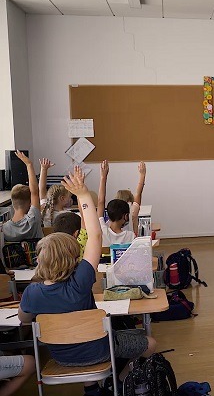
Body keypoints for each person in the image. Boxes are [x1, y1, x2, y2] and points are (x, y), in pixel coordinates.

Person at [19, 167, 157, 396]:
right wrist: (83, 194)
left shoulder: (32, 293)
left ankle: (91, 387)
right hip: (99, 351)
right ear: (72, 256)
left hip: (61, 356)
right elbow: (94, 235)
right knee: (149, 343)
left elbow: (24, 320)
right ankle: (120, 383)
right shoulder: (80, 281)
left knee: (94, 338)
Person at [1, 151, 43, 241]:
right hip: (38, 255)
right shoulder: (33, 219)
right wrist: (29, 164)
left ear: (12, 203)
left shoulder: (4, 229)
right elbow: (35, 192)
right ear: (30, 202)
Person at [99, 160, 143, 235]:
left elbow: (100, 201)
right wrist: (142, 175)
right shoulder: (130, 235)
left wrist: (103, 177)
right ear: (126, 216)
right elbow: (138, 193)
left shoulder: (103, 230)